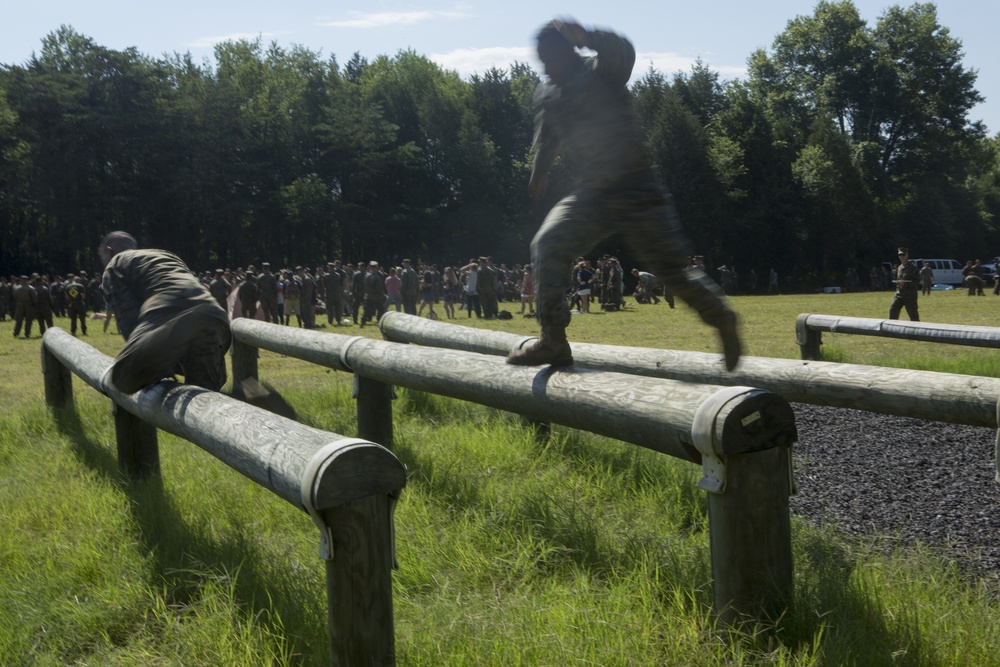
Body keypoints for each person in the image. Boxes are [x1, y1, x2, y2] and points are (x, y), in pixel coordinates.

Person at [506, 19, 740, 369]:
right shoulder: (548, 93)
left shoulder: (599, 71)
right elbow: (547, 136)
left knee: (672, 272)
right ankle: (553, 339)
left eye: (550, 56)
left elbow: (624, 52)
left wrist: (586, 36)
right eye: (540, 58)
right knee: (547, 244)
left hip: (636, 189)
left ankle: (721, 318)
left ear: (568, 52)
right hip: (593, 196)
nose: (545, 65)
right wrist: (538, 171)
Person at [98, 231, 231, 394]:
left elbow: (128, 318)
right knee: (205, 394)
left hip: (170, 312)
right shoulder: (166, 255)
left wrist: (147, 369)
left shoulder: (115, 264)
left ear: (110, 252)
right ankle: (251, 398)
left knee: (122, 379)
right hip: (214, 314)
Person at [888, 247, 920, 321]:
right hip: (899, 295)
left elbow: (917, 281)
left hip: (910, 296)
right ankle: (892, 329)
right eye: (900, 255)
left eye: (903, 255)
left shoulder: (913, 268)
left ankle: (917, 330)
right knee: (893, 309)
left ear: (907, 255)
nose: (901, 257)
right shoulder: (899, 267)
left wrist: (906, 283)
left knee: (913, 316)